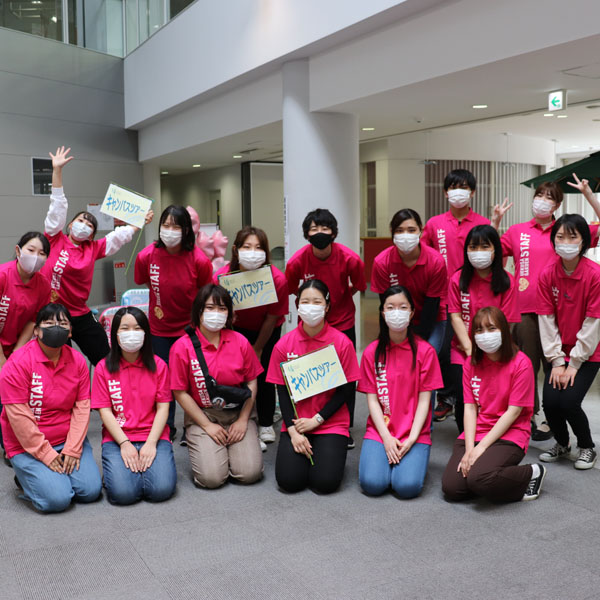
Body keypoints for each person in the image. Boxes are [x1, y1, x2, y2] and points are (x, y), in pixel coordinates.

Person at [501, 177, 600, 441]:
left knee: (554, 367)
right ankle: (528, 415)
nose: (542, 201)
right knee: (526, 365)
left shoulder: (566, 229)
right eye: (539, 195)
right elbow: (494, 254)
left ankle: (551, 418)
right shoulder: (518, 230)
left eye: (549, 197)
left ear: (557, 203)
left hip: (563, 311)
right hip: (526, 309)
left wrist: (590, 195)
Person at [40, 146, 153, 366]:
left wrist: (138, 222)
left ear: (92, 234)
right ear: (70, 224)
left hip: (80, 314)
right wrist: (57, 171)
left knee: (105, 358)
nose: (84, 225)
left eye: (89, 225)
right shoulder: (54, 238)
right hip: (53, 315)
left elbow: (118, 237)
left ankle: (111, 395)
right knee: (61, 363)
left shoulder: (93, 248)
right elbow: (57, 206)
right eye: (80, 220)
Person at [421, 169, 510, 421]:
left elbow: (490, 251)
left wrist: (494, 224)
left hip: (474, 297)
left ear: (472, 192)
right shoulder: (434, 223)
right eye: (453, 187)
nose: (458, 191)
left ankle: (473, 400)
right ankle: (448, 396)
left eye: (463, 187)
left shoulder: (480, 221)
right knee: (444, 350)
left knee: (474, 346)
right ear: (445, 192)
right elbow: (425, 256)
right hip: (442, 297)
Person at [0, 303, 102, 513]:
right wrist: (46, 454)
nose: (56, 327)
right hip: (27, 446)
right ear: (36, 330)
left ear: (70, 331)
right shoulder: (17, 364)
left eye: (62, 323)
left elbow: (82, 408)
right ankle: (26, 479)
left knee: (90, 491)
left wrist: (73, 448)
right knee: (58, 500)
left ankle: (53, 476)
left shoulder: (78, 361)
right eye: (48, 322)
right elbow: (19, 419)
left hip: (66, 440)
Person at [442, 306, 545, 503]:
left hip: (510, 434)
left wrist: (481, 450)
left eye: (491, 328)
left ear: (504, 331)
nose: (485, 335)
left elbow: (513, 413)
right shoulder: (470, 364)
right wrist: (470, 448)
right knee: (452, 489)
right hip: (477, 432)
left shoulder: (521, 363)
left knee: (479, 479)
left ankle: (531, 473)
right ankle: (488, 477)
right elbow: (470, 408)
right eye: (479, 330)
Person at [266, 279, 360, 494]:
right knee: (289, 482)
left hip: (330, 421)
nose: (310, 307)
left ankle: (329, 451)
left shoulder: (342, 343)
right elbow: (282, 389)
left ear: (327, 307)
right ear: (298, 305)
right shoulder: (284, 345)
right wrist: (293, 431)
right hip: (296, 423)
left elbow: (346, 391)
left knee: (324, 484)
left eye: (317, 302)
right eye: (305, 301)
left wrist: (317, 420)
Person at [285, 208, 366, 448]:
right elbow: (292, 289)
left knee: (344, 376)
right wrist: (313, 308)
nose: (319, 233)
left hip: (342, 323)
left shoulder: (350, 259)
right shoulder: (297, 261)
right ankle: (309, 420)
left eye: (325, 228)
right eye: (314, 229)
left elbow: (359, 284)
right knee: (311, 374)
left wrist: (335, 303)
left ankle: (345, 425)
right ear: (306, 234)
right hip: (310, 324)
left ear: (334, 232)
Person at [170, 284, 264, 489]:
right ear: (198, 311)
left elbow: (251, 381)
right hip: (204, 415)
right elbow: (179, 391)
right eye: (210, 308)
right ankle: (213, 446)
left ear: (229, 313)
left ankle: (237, 446)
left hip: (238, 412)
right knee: (211, 479)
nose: (216, 313)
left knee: (249, 474)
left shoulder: (240, 341)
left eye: (222, 309)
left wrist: (243, 420)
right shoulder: (182, 347)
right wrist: (206, 425)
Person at [135, 204, 213, 441]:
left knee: (192, 379)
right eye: (165, 225)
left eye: (176, 226)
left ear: (186, 230)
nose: (169, 230)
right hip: (159, 330)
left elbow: (205, 294)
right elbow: (147, 283)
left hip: (189, 331)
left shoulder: (199, 260)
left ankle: (196, 426)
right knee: (163, 381)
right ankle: (166, 427)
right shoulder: (146, 256)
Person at [358, 286, 443, 499]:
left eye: (403, 307)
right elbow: (373, 401)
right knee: (373, 484)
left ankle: (411, 458)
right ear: (382, 312)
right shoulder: (371, 352)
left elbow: (426, 401)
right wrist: (386, 438)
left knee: (406, 487)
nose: (397, 312)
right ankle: (386, 458)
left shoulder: (426, 351)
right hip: (381, 431)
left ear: (412, 312)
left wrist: (413, 438)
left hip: (414, 433)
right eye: (391, 307)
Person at [91, 307, 176, 505]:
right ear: (115, 334)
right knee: (123, 495)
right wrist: (125, 444)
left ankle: (131, 472)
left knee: (161, 491)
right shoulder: (104, 368)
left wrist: (151, 443)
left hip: (153, 435)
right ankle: (121, 473)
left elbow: (163, 409)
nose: (131, 334)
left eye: (137, 328)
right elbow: (105, 412)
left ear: (146, 333)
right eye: (125, 328)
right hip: (117, 438)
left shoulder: (159, 365)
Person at [214, 226, 288, 451]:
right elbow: (217, 312)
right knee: (235, 373)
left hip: (265, 329)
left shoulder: (276, 278)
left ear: (266, 252)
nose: (252, 252)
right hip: (233, 329)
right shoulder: (222, 277)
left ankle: (266, 422)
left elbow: (272, 316)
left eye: (258, 248)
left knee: (264, 373)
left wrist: (257, 348)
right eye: (247, 247)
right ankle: (236, 418)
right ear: (236, 250)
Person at [537, 214, 600, 470]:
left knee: (569, 401)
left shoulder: (595, 275)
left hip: (589, 351)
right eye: (560, 236)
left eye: (572, 237)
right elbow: (546, 320)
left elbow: (593, 322)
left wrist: (574, 362)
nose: (565, 242)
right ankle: (562, 444)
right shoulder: (547, 273)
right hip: (559, 352)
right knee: (550, 402)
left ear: (584, 241)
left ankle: (587, 447)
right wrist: (557, 360)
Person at [447, 225, 519, 432]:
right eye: (473, 247)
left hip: (497, 349)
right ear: (466, 250)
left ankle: (492, 436)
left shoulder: (507, 281)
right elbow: (455, 316)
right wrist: (471, 351)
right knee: (464, 398)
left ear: (495, 249)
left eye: (484, 246)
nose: (479, 252)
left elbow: (507, 321)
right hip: (463, 350)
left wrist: (490, 350)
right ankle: (466, 436)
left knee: (494, 396)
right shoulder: (457, 279)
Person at [370, 208, 447, 354]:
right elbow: (385, 306)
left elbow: (432, 307)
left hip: (431, 318)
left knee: (425, 357)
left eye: (411, 230)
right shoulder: (382, 262)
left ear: (421, 231)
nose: (405, 235)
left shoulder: (436, 262)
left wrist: (418, 344)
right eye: (399, 230)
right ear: (391, 231)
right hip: (397, 317)